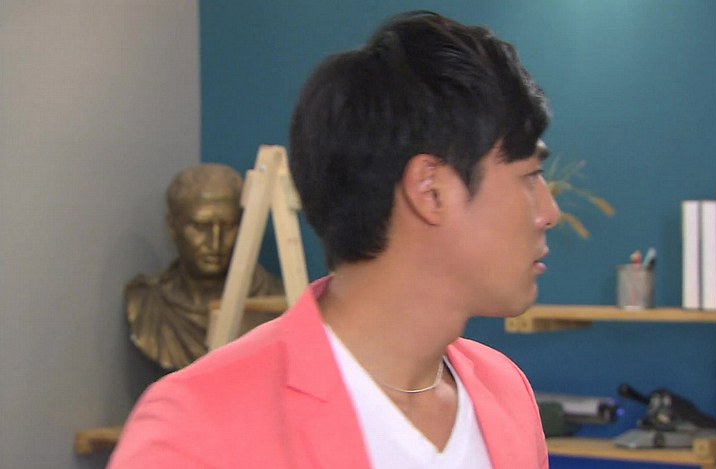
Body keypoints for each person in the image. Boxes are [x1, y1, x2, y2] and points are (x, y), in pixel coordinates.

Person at [109, 11, 559, 468]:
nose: (549, 212)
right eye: (530, 176)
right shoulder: (197, 428)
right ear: (431, 190)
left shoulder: (505, 392)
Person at [124, 163, 284, 371]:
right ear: (172, 227)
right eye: (200, 227)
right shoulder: (148, 304)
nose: (215, 242)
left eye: (228, 226)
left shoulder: (275, 302)